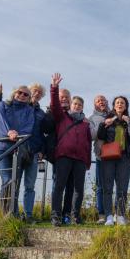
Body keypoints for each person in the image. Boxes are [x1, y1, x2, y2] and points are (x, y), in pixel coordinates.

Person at [0, 79, 46, 223]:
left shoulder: (31, 111)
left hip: (19, 149)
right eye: (20, 92)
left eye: (25, 94)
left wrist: (18, 135)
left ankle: (14, 215)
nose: (22, 95)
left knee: (16, 182)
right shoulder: (4, 105)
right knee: (7, 180)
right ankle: (6, 215)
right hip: (2, 147)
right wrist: (9, 132)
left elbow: (29, 128)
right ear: (14, 93)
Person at [50, 73, 91, 226]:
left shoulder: (85, 124)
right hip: (64, 156)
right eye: (75, 104)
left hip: (80, 159)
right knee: (59, 186)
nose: (77, 106)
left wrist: (87, 161)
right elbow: (54, 105)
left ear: (82, 108)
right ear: (71, 105)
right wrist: (54, 87)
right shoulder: (62, 117)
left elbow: (88, 143)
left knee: (77, 189)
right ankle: (56, 215)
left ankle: (74, 216)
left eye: (80, 105)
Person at [97, 96, 130, 226]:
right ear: (114, 106)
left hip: (124, 157)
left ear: (125, 106)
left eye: (122, 103)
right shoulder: (107, 119)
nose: (120, 104)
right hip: (109, 157)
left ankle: (119, 215)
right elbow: (100, 136)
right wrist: (104, 125)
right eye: (117, 102)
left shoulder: (129, 120)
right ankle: (108, 216)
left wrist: (129, 123)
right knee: (107, 187)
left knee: (122, 188)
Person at [41, 87, 75, 225]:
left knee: (71, 187)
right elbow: (46, 128)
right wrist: (51, 110)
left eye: (67, 96)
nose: (65, 98)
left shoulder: (74, 115)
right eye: (62, 96)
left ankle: (67, 214)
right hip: (59, 154)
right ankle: (56, 215)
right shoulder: (52, 113)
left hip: (73, 155)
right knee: (58, 185)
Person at [88, 95, 108, 224]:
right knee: (101, 187)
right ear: (95, 104)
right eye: (98, 101)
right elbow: (91, 136)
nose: (101, 102)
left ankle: (117, 214)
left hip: (116, 155)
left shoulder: (113, 114)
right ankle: (102, 214)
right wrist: (103, 124)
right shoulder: (91, 118)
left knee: (115, 186)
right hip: (101, 156)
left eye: (103, 100)